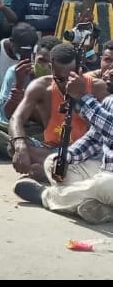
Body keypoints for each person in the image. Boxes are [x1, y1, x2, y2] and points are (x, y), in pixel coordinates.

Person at [13, 71, 113, 224]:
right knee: (54, 162)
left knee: (105, 184)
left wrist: (83, 97)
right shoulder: (109, 101)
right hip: (104, 170)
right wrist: (67, 156)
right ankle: (98, 208)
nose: (109, 72)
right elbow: (93, 139)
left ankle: (47, 196)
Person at [8, 43, 109, 182]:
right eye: (60, 79)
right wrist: (20, 145)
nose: (66, 84)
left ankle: (49, 172)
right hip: (51, 150)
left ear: (79, 69)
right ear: (51, 68)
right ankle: (54, 172)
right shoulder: (41, 86)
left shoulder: (98, 88)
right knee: (14, 146)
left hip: (86, 153)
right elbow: (16, 118)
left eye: (71, 77)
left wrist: (83, 97)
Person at [0, 36, 61, 160]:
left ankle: (1, 147)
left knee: (56, 137)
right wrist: (19, 84)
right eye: (42, 60)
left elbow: (50, 123)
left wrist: (28, 104)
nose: (45, 67)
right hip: (10, 127)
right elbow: (7, 114)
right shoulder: (17, 72)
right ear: (34, 57)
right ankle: (25, 152)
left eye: (50, 63)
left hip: (38, 130)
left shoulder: (60, 82)